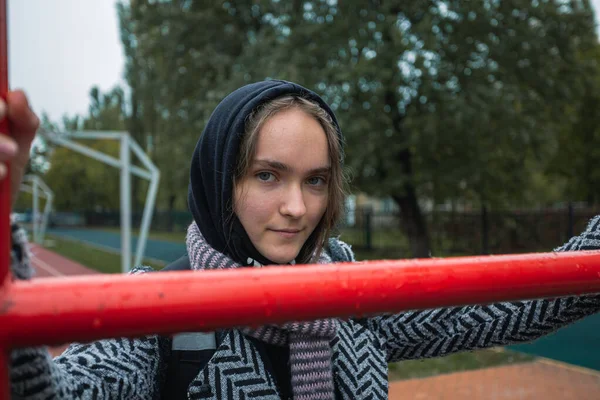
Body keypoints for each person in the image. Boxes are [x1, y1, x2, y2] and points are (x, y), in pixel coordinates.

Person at [7, 80, 600, 400]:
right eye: (268, 175)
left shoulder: (348, 297)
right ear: (221, 181)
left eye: (315, 181)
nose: (298, 207)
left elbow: (516, 302)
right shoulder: (159, 314)